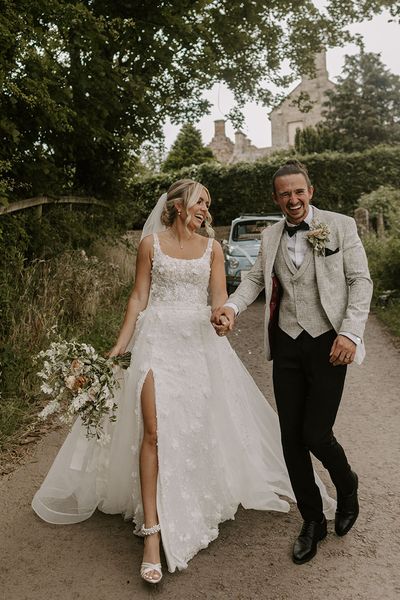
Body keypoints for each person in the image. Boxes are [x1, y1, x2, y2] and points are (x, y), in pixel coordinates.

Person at [32, 178, 335, 583]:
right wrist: (119, 347)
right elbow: (138, 297)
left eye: (209, 204)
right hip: (156, 342)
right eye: (200, 201)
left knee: (194, 428)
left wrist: (222, 318)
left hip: (197, 346)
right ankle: (153, 535)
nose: (206, 209)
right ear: (177, 205)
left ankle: (191, 501)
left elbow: (217, 297)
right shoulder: (149, 245)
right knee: (153, 431)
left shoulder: (213, 248)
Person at [212, 160, 373, 565]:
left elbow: (360, 281)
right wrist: (231, 307)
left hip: (329, 343)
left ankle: (346, 484)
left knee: (317, 433)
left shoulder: (339, 226)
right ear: (276, 198)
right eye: (284, 193)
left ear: (310, 191)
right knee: (290, 439)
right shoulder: (269, 236)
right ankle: (313, 521)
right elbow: (253, 280)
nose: (293, 199)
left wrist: (350, 333)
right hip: (285, 344)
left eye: (298, 191)